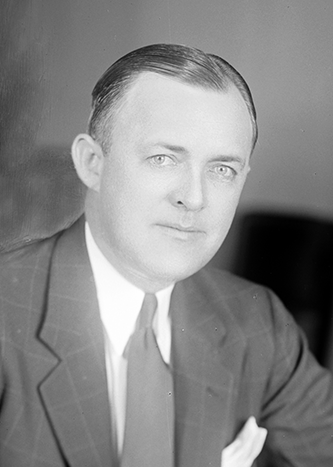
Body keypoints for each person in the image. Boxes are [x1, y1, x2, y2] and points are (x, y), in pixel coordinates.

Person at [0, 43, 332, 467]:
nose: (194, 198)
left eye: (222, 169)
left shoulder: (258, 323)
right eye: (163, 159)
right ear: (91, 163)